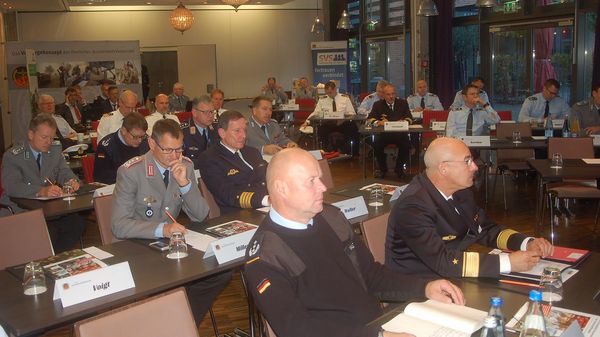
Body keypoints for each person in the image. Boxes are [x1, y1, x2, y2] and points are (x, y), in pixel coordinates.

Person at [243, 148, 465, 337]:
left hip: (376, 326)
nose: (322, 187)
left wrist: (425, 288)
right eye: (311, 181)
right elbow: (297, 328)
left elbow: (371, 275)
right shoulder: (266, 255)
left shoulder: (331, 217)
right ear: (281, 188)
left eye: (319, 178)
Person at [111, 118, 230, 325]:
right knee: (171, 284)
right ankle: (174, 324)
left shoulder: (185, 166)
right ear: (151, 144)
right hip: (139, 246)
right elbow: (119, 225)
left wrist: (185, 184)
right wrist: (163, 229)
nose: (175, 156)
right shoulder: (131, 171)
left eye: (179, 149)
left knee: (220, 273)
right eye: (168, 150)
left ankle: (180, 324)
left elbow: (201, 215)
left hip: (171, 246)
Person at [385, 137, 554, 278]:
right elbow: (442, 261)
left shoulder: (461, 191)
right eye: (467, 161)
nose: (474, 167)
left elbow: (485, 229)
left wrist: (526, 243)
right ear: (444, 168)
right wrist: (508, 263)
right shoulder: (413, 206)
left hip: (451, 277)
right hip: (419, 289)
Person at [0, 114, 85, 253]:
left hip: (48, 209)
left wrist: (71, 181)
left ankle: (53, 258)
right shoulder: (13, 156)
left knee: (77, 224)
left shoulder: (54, 151)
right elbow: (12, 186)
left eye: (51, 138)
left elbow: (64, 171)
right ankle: (44, 259)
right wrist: (41, 191)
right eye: (44, 137)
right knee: (48, 231)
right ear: (31, 134)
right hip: (19, 209)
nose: (48, 142)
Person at [198, 110, 269, 214]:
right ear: (222, 133)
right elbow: (228, 195)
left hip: (266, 207)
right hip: (240, 213)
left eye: (245, 130)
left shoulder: (252, 152)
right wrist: (265, 200)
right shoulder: (211, 158)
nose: (244, 135)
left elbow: (270, 176)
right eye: (237, 131)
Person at [367, 83, 413, 179]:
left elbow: (410, 118)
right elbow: (370, 119)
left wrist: (404, 121)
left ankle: (399, 169)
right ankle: (383, 170)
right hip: (384, 134)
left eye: (393, 94)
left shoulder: (403, 103)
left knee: (406, 145)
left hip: (399, 134)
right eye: (388, 94)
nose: (391, 96)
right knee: (376, 145)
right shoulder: (378, 105)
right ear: (383, 95)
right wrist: (379, 122)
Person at [94, 112, 150, 184]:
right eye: (135, 137)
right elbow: (100, 177)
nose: (139, 141)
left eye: (142, 136)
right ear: (123, 130)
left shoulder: (146, 142)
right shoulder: (106, 147)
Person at [303, 81, 358, 153]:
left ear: (335, 89)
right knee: (321, 128)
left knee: (353, 127)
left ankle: (348, 151)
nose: (329, 95)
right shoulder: (322, 99)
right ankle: (325, 151)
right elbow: (316, 112)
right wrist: (307, 121)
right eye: (327, 93)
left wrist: (343, 119)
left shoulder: (345, 98)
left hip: (342, 123)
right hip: (328, 123)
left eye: (330, 92)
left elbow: (352, 113)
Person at [182, 95, 219, 169]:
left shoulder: (218, 127)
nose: (210, 116)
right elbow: (180, 159)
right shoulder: (182, 132)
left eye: (212, 111)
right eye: (206, 112)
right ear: (194, 112)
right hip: (193, 172)